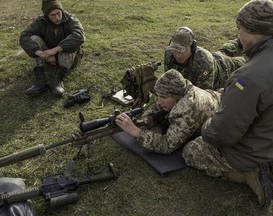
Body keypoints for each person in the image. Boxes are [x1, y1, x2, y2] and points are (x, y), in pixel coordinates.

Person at [182, 0, 273, 207]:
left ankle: (249, 173)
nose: (238, 35)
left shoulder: (248, 77)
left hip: (253, 151)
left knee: (191, 151)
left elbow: (223, 134)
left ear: (254, 30)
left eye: (239, 28)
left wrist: (206, 126)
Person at [115, 69, 221, 154]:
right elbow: (156, 105)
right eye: (158, 95)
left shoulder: (188, 110)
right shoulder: (179, 88)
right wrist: (147, 119)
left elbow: (167, 145)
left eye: (163, 97)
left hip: (221, 116)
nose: (159, 101)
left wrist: (136, 132)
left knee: (189, 151)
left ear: (177, 97)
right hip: (215, 97)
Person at [19, 0, 85, 97]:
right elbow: (24, 36)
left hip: (69, 58)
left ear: (61, 10)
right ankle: (40, 82)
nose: (57, 18)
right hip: (49, 58)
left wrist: (54, 50)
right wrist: (42, 54)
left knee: (71, 41)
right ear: (46, 16)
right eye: (52, 15)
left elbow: (80, 35)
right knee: (33, 39)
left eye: (58, 13)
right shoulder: (41, 22)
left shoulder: (71, 19)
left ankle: (58, 81)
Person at [164, 26, 246, 90]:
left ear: (192, 48)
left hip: (223, 68)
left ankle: (245, 40)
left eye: (182, 50)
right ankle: (239, 41)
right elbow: (169, 82)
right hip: (215, 57)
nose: (178, 55)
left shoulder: (204, 62)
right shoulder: (169, 54)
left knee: (247, 61)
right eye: (175, 50)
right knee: (225, 50)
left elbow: (204, 95)